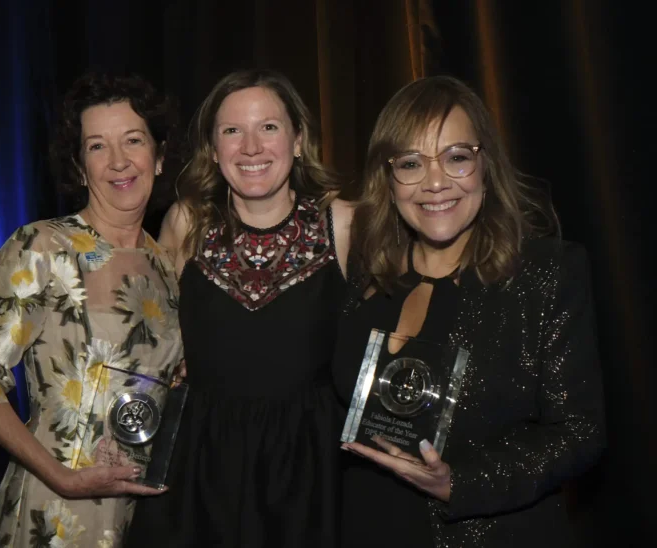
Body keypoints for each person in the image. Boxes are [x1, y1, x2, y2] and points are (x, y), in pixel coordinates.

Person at [332, 75, 605, 547]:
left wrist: (458, 483)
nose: (435, 182)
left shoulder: (544, 273)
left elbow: (579, 434)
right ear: (389, 178)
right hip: (366, 526)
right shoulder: (367, 275)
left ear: (485, 165)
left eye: (456, 157)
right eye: (412, 163)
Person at [0, 71, 183, 548]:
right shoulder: (43, 247)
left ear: (158, 156)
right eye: (97, 146)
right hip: (58, 511)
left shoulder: (165, 263)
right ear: (79, 166)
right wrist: (63, 478)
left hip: (147, 511)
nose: (118, 161)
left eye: (133, 140)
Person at [125, 68, 354, 547]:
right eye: (232, 130)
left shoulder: (343, 223)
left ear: (298, 140)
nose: (251, 147)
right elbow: (156, 345)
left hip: (311, 474)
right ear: (212, 148)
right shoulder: (186, 223)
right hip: (203, 472)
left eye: (268, 127)